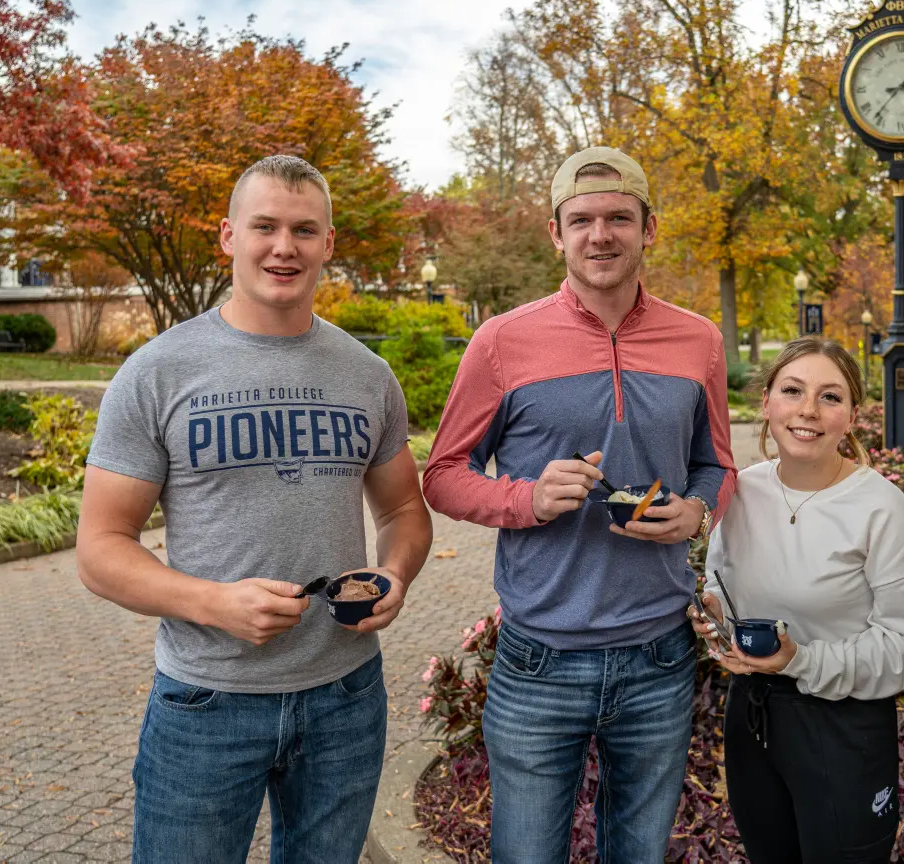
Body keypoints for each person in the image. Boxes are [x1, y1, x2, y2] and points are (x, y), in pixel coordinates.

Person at [77, 155, 433, 864]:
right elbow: (100, 549)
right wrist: (212, 603)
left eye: (305, 230)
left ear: (328, 244)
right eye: (265, 226)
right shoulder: (158, 371)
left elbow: (404, 514)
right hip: (207, 702)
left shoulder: (368, 374)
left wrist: (395, 574)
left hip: (346, 696)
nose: (284, 247)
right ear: (228, 235)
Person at [423, 146, 737, 863]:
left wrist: (697, 511)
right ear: (556, 234)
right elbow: (441, 474)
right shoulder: (502, 341)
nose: (602, 234)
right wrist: (526, 498)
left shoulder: (699, 341)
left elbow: (716, 463)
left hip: (659, 659)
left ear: (649, 228)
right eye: (583, 219)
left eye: (620, 218)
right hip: (540, 660)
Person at [692, 337, 904, 863]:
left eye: (830, 396)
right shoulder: (739, 492)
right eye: (793, 390)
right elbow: (719, 583)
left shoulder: (882, 508)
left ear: (851, 416)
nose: (808, 410)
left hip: (843, 726)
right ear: (767, 403)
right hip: (752, 716)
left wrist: (801, 660)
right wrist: (714, 617)